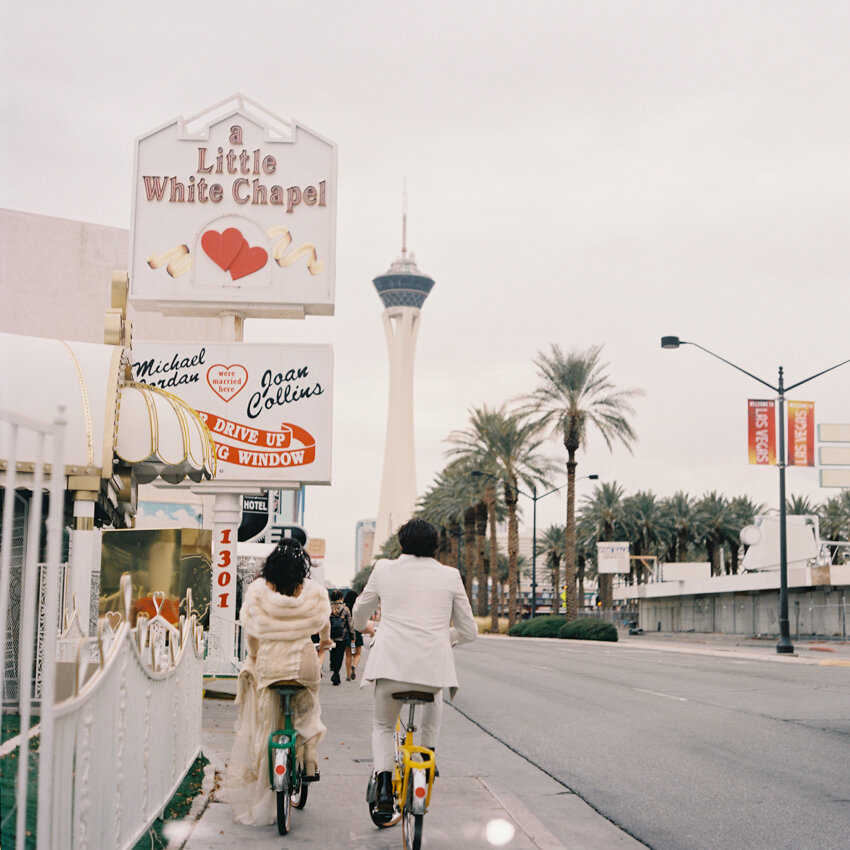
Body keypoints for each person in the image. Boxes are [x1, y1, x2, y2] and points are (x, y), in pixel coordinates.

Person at [351, 518, 477, 814]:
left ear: (401, 544)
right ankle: (428, 757)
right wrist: (443, 636)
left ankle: (383, 787)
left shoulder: (384, 568)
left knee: (382, 726)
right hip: (432, 669)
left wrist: (367, 626)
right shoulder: (450, 575)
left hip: (389, 666)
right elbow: (469, 631)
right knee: (434, 694)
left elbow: (359, 614)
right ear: (436, 545)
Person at [227, 538, 334, 826]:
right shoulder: (314, 592)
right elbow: (324, 622)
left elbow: (250, 630)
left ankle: (271, 768)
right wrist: (324, 642)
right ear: (303, 564)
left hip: (271, 663)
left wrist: (254, 654)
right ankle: (308, 753)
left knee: (269, 720)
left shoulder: (259, 592)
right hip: (304, 661)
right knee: (308, 705)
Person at [327, 589, 354, 686]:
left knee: (333, 654)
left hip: (331, 636)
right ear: (341, 598)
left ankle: (334, 669)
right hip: (342, 636)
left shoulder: (327, 608)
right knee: (340, 655)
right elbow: (350, 623)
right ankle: (336, 673)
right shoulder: (345, 609)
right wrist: (353, 635)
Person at [343, 589, 364, 681]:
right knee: (357, 653)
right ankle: (354, 665)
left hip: (347, 634)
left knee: (348, 655)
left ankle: (348, 675)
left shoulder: (344, 609)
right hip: (357, 632)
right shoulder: (358, 609)